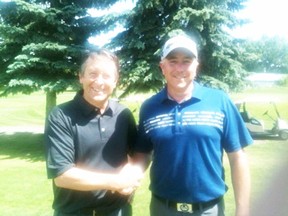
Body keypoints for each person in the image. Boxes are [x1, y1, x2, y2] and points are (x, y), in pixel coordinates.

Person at [132, 34, 253, 216]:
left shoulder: (219, 101)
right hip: (162, 209)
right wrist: (126, 181)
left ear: (196, 66)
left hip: (209, 210)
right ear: (162, 66)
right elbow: (142, 154)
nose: (179, 68)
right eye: (172, 61)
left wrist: (243, 210)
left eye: (186, 61)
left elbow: (238, 157)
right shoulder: (149, 107)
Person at [45, 49, 143, 216]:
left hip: (117, 210)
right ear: (81, 77)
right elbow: (63, 175)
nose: (99, 82)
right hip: (74, 212)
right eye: (93, 74)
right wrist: (117, 182)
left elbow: (136, 156)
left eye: (106, 76)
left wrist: (131, 175)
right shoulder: (61, 115)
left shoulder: (123, 115)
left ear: (115, 81)